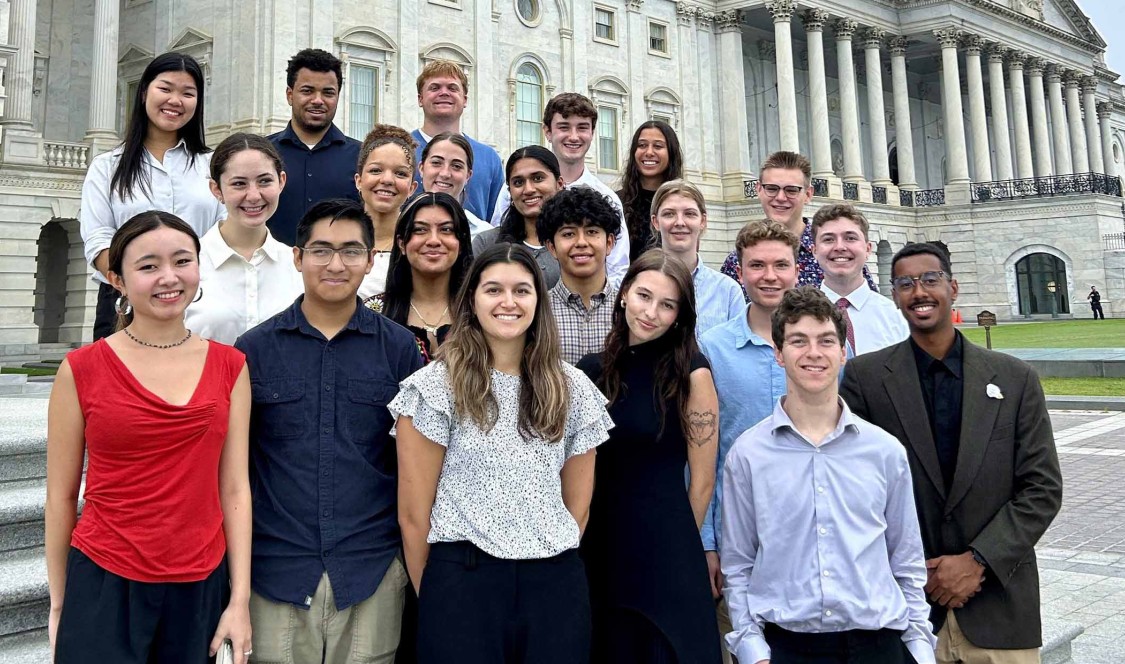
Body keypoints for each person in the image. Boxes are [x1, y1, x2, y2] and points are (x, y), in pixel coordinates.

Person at [840, 242, 1063, 664]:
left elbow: (1042, 489)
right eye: (905, 283)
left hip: (999, 607)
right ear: (895, 297)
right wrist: (911, 568)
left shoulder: (1015, 380)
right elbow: (854, 488)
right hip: (904, 609)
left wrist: (978, 561)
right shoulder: (865, 379)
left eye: (930, 279)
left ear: (953, 288)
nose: (919, 291)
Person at [391, 242, 612, 663]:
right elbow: (414, 515)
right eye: (493, 290)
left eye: (522, 290)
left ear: (538, 301)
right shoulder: (436, 387)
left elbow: (577, 508)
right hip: (463, 582)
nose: (508, 302)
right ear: (472, 300)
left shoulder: (573, 388)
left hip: (553, 586)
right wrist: (441, 597)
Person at [47, 212, 252, 663]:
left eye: (182, 261)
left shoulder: (230, 367)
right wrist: (60, 602)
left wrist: (239, 600)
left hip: (199, 583)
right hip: (103, 578)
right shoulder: (81, 369)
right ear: (117, 280)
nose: (168, 278)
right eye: (148, 266)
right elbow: (61, 496)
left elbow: (234, 488)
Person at [235, 198, 423, 664]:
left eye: (350, 251)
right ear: (297, 258)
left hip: (371, 570)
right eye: (320, 250)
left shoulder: (399, 349)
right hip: (276, 570)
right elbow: (237, 469)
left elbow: (414, 469)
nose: (335, 264)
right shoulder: (254, 349)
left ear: (371, 260)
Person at [721, 286, 937, 664]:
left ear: (843, 354)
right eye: (798, 341)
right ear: (778, 354)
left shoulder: (884, 451)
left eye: (825, 341)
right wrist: (753, 650)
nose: (813, 353)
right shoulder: (748, 455)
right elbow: (738, 564)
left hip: (877, 644)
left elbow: (906, 559)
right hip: (786, 647)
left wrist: (919, 648)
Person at [577, 249, 722, 663]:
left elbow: (703, 479)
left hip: (666, 550)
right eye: (644, 296)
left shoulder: (692, 373)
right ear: (624, 294)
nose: (651, 312)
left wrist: (675, 545)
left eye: (667, 304)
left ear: (680, 314)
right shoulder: (591, 372)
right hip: (600, 545)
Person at [698, 220, 799, 664]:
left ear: (797, 270)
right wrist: (706, 542)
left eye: (780, 264)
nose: (769, 275)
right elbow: (701, 453)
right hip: (738, 538)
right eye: (757, 265)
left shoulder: (826, 347)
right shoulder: (713, 348)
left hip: (809, 532)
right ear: (740, 272)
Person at [80, 52, 225, 341]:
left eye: (188, 93)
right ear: (145, 91)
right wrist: (137, 285)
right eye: (166, 88)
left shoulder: (212, 166)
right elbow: (98, 238)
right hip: (123, 303)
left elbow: (224, 232)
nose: (175, 100)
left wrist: (182, 283)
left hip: (202, 300)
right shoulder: (108, 166)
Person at [491, 93, 631, 284]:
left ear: (592, 132)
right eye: (564, 127)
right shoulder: (515, 191)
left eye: (582, 128)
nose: (573, 137)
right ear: (547, 131)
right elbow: (498, 240)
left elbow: (617, 269)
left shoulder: (606, 197)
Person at [184, 133, 303, 344]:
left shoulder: (298, 265)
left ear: (281, 181)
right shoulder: (187, 265)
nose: (254, 195)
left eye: (265, 181)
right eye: (239, 184)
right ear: (216, 189)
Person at [718, 151, 876, 296]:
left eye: (791, 190)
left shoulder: (835, 255)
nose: (780, 197)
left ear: (808, 194)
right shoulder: (736, 261)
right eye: (772, 189)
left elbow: (867, 310)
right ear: (759, 190)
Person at [268, 48, 362, 246]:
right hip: (271, 271)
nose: (318, 100)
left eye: (328, 92)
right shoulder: (263, 154)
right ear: (289, 95)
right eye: (307, 91)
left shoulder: (362, 158)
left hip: (337, 271)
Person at [367, 192, 473, 362]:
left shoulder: (481, 311)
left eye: (446, 229)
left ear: (461, 243)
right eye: (420, 230)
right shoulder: (373, 313)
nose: (433, 240)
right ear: (402, 244)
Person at [411, 59, 504, 221]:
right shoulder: (401, 149)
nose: (444, 92)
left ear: (465, 100)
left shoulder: (489, 158)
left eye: (452, 88)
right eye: (435, 87)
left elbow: (496, 222)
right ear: (420, 99)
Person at [812, 203, 908, 355]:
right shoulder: (797, 317)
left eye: (850, 238)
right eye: (828, 239)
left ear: (868, 249)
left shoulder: (897, 319)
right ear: (815, 251)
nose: (839, 247)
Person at [651, 179, 743, 336]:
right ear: (656, 222)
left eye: (689, 214)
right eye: (669, 214)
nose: (680, 222)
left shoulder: (727, 291)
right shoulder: (635, 283)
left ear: (703, 221)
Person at [539, 187, 621, 364]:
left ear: (609, 242)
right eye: (568, 234)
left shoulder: (628, 310)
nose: (581, 242)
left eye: (592, 232)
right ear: (551, 247)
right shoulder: (538, 311)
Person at [473, 146, 564, 287]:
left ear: (559, 184)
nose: (528, 190)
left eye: (538, 178)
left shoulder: (576, 242)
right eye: (518, 182)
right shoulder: (487, 243)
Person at [355, 124, 419, 300]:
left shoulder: (419, 247)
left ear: (412, 188)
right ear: (359, 180)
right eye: (376, 170)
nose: (387, 180)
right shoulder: (336, 240)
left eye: (400, 173)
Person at [616, 120, 684, 261]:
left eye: (658, 146)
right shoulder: (616, 202)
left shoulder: (683, 203)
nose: (649, 152)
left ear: (671, 152)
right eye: (642, 145)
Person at [417, 131, 493, 238]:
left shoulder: (485, 235)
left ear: (468, 175)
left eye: (456, 166)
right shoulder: (399, 227)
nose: (445, 174)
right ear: (421, 168)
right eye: (436, 163)